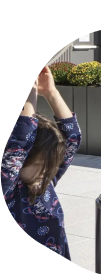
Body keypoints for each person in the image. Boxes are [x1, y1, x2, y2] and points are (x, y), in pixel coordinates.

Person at [2, 67, 82, 259]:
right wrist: (32, 93)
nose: (47, 171)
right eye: (39, 165)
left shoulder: (46, 181)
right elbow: (20, 139)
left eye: (51, 165)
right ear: (19, 162)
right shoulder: (8, 188)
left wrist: (51, 92)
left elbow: (72, 138)